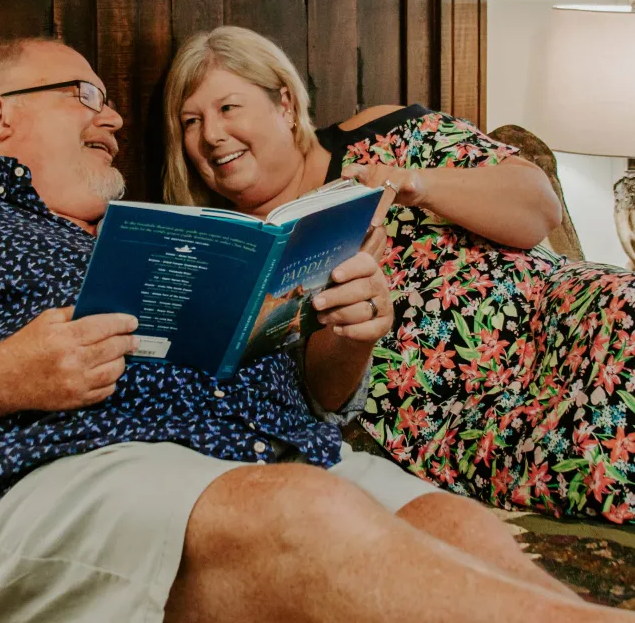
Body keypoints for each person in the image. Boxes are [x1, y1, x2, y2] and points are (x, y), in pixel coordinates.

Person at [0, 38, 628, 623]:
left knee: (453, 525)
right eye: (86, 95)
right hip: (70, 466)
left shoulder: (154, 235)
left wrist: (349, 334)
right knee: (305, 512)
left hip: (281, 450)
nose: (115, 117)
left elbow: (321, 400)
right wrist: (7, 371)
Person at [163, 26, 635, 526]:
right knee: (593, 456)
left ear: (283, 103)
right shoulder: (233, 253)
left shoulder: (383, 136)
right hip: (463, 417)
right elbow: (318, 399)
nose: (210, 135)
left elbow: (540, 209)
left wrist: (414, 182)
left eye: (228, 108)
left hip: (567, 315)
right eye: (190, 121)